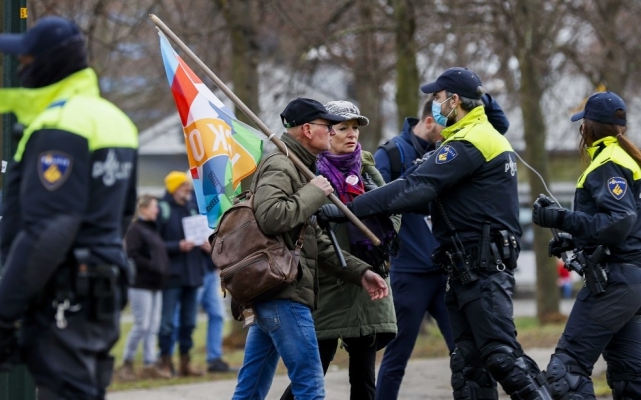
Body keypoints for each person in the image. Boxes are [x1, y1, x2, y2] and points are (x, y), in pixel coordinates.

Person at [319, 67, 551, 400]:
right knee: (469, 366)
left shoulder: (469, 142)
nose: (434, 104)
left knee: (502, 358)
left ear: (455, 101)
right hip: (465, 268)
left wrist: (349, 209)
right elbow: (434, 201)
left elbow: (416, 187)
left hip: (481, 269)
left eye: (438, 98)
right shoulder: (473, 137)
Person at [0, 16, 138, 400]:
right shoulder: (115, 120)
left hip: (63, 292)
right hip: (100, 286)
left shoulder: (59, 123)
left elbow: (50, 227)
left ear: (49, 62)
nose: (21, 69)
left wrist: (4, 314)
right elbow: (123, 213)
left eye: (25, 60)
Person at [231, 97, 389, 400]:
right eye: (327, 126)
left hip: (272, 291)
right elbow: (271, 216)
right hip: (284, 290)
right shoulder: (282, 164)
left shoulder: (301, 166)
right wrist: (313, 193)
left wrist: (361, 273)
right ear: (307, 129)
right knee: (310, 385)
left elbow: (313, 238)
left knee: (250, 389)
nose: (333, 132)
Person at [374, 94, 510, 400]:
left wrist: (483, 95)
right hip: (411, 272)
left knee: (466, 352)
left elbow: (499, 126)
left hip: (448, 269)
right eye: (445, 125)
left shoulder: (451, 147)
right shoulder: (392, 154)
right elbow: (379, 201)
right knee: (398, 354)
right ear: (429, 121)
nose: (452, 128)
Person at [280, 100, 398, 400]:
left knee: (364, 379)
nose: (351, 135)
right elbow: (298, 222)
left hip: (366, 282)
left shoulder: (367, 168)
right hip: (326, 282)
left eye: (355, 128)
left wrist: (368, 215)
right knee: (312, 371)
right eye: (343, 128)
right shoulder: (307, 170)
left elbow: (395, 211)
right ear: (325, 132)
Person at [532, 91, 641, 399]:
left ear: (588, 127)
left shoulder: (608, 163)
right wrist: (574, 239)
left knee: (566, 372)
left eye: (582, 123)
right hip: (632, 283)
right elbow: (627, 227)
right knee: (631, 378)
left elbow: (619, 222)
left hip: (615, 282)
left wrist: (562, 218)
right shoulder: (629, 159)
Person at [156, 171, 209, 377]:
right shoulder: (163, 210)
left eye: (188, 187)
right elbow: (154, 244)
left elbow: (203, 235)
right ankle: (165, 362)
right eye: (183, 187)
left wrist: (206, 245)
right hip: (172, 276)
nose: (187, 190)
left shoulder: (192, 208)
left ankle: (185, 363)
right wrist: (177, 246)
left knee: (189, 322)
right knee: (167, 323)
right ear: (173, 188)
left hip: (193, 274)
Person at [120, 195, 170, 380]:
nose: (157, 210)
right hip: (141, 284)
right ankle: (127, 361)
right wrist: (153, 267)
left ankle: (150, 363)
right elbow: (132, 254)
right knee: (142, 325)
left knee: (153, 326)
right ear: (144, 209)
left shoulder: (153, 229)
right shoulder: (136, 230)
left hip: (156, 285)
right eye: (154, 207)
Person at [199, 258, 237, 373]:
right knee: (183, 318)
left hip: (211, 271)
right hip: (194, 271)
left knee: (218, 315)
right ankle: (166, 358)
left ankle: (214, 360)